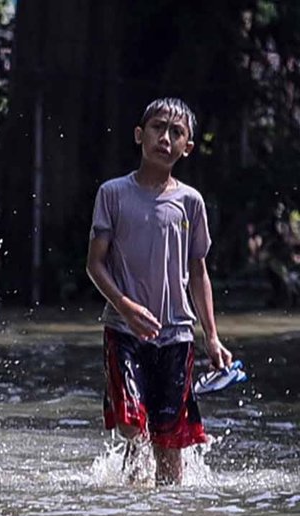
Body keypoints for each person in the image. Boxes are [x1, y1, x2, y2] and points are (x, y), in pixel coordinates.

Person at [86, 98, 232, 487]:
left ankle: (167, 515)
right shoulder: (112, 194)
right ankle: (134, 505)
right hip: (123, 329)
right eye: (157, 128)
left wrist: (212, 338)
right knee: (133, 424)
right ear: (140, 135)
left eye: (176, 132)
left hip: (177, 334)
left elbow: (198, 271)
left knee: (171, 439)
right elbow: (94, 264)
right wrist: (125, 305)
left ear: (187, 147)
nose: (165, 138)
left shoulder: (190, 202)